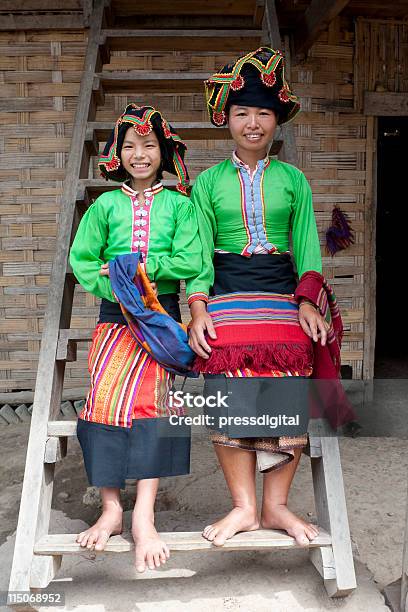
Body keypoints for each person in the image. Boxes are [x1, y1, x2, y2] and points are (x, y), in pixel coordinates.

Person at [187, 48, 330, 547]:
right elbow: (199, 252)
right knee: (228, 388)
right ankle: (244, 505)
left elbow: (308, 245)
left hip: (282, 296)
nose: (253, 123)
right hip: (226, 294)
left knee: (289, 389)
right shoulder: (206, 183)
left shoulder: (294, 181)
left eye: (263, 113)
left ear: (276, 120)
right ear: (226, 119)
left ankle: (276, 506)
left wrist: (308, 301)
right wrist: (198, 306)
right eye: (242, 113)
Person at [69, 104, 202, 571]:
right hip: (113, 319)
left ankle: (144, 516)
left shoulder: (181, 206)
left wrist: (139, 273)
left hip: (159, 320)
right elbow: (84, 261)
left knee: (152, 408)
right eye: (129, 146)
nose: (139, 154)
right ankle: (111, 510)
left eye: (149, 145)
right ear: (117, 153)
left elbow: (190, 261)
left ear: (163, 152)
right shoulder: (104, 206)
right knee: (103, 405)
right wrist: (117, 285)